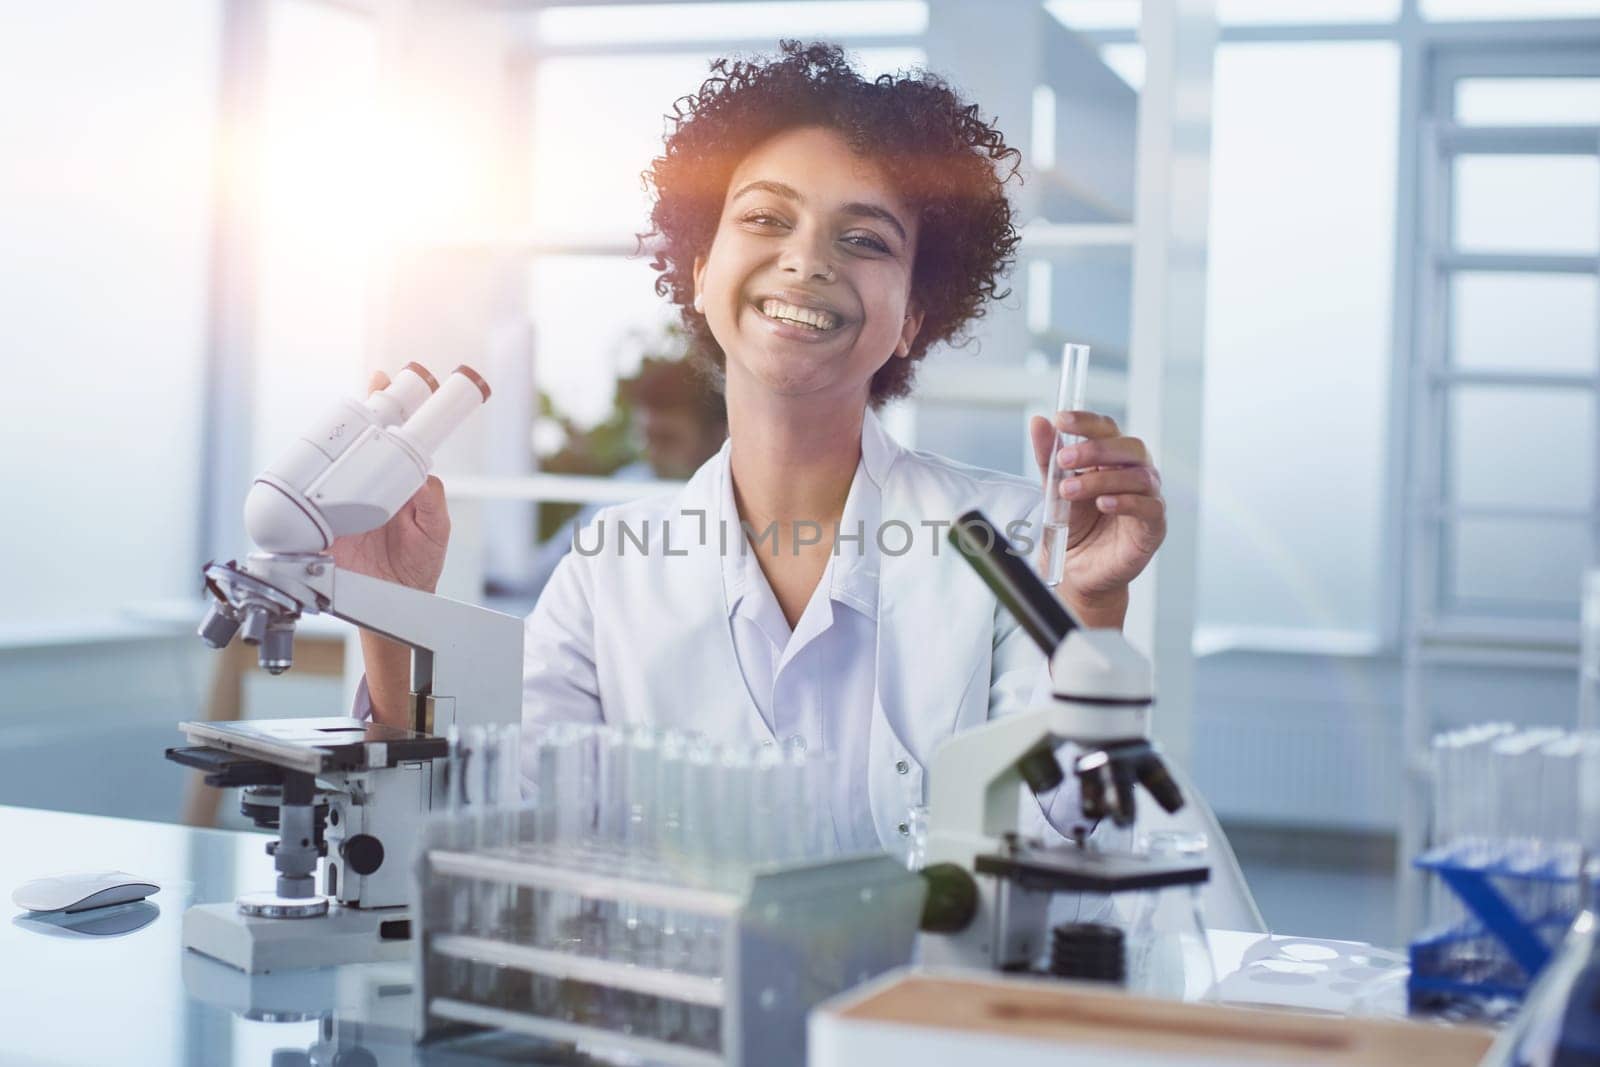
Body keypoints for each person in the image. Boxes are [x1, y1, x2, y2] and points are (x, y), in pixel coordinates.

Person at [338, 42, 1166, 854]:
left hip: (924, 994)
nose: (805, 260)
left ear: (914, 316)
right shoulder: (611, 566)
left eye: (866, 239)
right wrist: (389, 613)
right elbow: (495, 823)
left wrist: (1092, 611)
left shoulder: (1017, 540)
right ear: (700, 271)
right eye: (767, 218)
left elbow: (1061, 824)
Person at [522, 356, 728, 598]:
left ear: (717, 436)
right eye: (646, 437)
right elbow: (549, 566)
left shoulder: (732, 503)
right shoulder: (627, 487)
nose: (652, 453)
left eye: (667, 439)